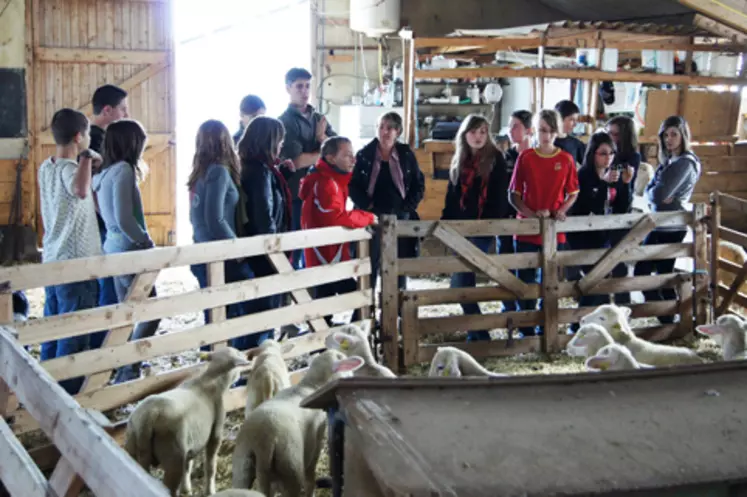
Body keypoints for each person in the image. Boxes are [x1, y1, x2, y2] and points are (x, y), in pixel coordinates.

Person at [37, 108, 102, 394]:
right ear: (79, 137)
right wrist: (88, 157)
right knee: (73, 332)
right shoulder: (68, 169)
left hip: (52, 257)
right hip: (76, 263)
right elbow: (80, 190)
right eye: (87, 135)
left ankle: (42, 385)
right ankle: (66, 393)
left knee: (52, 327)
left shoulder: (45, 167)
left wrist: (88, 161)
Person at [188, 119, 266, 351]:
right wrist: (237, 249)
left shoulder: (200, 173)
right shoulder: (219, 172)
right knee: (242, 304)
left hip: (202, 249)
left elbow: (198, 217)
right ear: (225, 141)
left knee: (215, 313)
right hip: (221, 253)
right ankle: (233, 359)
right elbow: (216, 219)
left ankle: (213, 362)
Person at [93, 119, 159, 383]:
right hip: (128, 248)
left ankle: (123, 367)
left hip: (113, 245)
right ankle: (129, 366)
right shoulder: (123, 171)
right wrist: (145, 241)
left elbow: (103, 209)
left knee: (128, 311)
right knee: (151, 309)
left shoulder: (104, 173)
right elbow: (124, 217)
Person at [509, 109, 579, 337]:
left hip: (553, 231)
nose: (545, 136)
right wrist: (530, 214)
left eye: (549, 131)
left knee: (550, 281)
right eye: (541, 130)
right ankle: (525, 332)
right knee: (525, 283)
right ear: (535, 131)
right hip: (527, 230)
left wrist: (561, 211)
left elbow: (573, 192)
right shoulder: (526, 158)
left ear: (557, 132)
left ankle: (545, 329)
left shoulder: (566, 160)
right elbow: (514, 194)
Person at [442, 114, 510, 342]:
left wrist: (486, 225)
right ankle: (478, 333)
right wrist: (445, 224)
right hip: (458, 228)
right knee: (462, 284)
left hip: (482, 227)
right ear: (464, 134)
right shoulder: (459, 159)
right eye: (473, 131)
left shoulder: (495, 159)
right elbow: (452, 195)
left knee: (460, 283)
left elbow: (500, 196)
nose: (478, 136)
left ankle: (479, 334)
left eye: (482, 131)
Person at [300, 136, 377, 326]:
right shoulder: (326, 184)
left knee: (326, 305)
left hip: (327, 254)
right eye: (347, 155)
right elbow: (336, 217)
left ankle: (325, 342)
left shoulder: (329, 180)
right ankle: (353, 335)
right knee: (360, 299)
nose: (353, 160)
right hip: (327, 257)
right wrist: (367, 217)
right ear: (331, 158)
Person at [634, 115, 701, 324]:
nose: (669, 139)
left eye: (674, 134)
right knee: (663, 275)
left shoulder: (685, 163)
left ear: (683, 136)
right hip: (663, 222)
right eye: (665, 135)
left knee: (644, 272)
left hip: (671, 225)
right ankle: (671, 320)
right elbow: (649, 192)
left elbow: (656, 195)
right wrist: (657, 192)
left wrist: (658, 192)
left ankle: (669, 319)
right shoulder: (669, 161)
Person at [349, 111, 424, 292]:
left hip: (400, 215)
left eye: (390, 128)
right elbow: (352, 185)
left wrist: (408, 206)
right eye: (381, 127)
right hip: (371, 216)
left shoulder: (406, 155)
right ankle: (366, 311)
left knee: (397, 266)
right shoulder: (364, 155)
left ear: (397, 131)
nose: (385, 132)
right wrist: (366, 205)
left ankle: (397, 310)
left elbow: (418, 184)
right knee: (369, 264)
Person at [567, 131, 633, 332]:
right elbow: (585, 207)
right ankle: (578, 325)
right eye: (603, 153)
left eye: (611, 153)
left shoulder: (614, 174)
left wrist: (626, 185)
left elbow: (623, 207)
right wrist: (603, 183)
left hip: (605, 237)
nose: (608, 158)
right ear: (592, 154)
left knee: (604, 283)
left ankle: (591, 327)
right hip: (582, 238)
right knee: (596, 281)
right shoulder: (583, 176)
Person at [237, 116, 294, 336]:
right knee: (264, 314)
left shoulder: (257, 168)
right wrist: (274, 250)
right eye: (279, 140)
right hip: (264, 254)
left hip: (257, 251)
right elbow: (263, 215)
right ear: (269, 141)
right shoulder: (260, 171)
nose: (281, 145)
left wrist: (283, 176)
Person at [278, 67, 337, 271]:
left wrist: (322, 139)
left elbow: (340, 151)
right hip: (296, 196)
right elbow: (298, 161)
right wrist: (324, 151)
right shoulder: (284, 123)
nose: (304, 91)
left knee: (319, 247)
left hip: (322, 196)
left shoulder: (319, 118)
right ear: (288, 88)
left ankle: (315, 295)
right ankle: (293, 295)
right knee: (295, 248)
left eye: (307, 86)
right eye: (299, 86)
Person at [88, 84, 130, 348]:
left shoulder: (99, 138)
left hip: (106, 223)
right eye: (122, 109)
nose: (126, 114)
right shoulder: (96, 140)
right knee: (107, 287)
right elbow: (94, 187)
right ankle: (102, 348)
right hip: (103, 225)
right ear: (107, 110)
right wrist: (109, 217)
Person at [606, 115, 642, 304]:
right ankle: (603, 303)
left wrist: (620, 182)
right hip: (603, 211)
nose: (612, 138)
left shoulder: (632, 157)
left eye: (616, 134)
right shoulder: (605, 152)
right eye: (609, 133)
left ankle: (623, 305)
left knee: (618, 260)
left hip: (621, 211)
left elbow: (625, 186)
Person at [502, 109, 534, 258]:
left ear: (529, 130)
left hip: (530, 214)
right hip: (507, 214)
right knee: (505, 258)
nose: (510, 130)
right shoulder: (505, 157)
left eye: (515, 126)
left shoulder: (537, 157)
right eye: (509, 126)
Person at [553, 100, 585, 167]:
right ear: (559, 119)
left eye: (576, 120)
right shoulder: (547, 143)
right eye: (572, 120)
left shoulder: (575, 143)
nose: (575, 124)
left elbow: (590, 163)